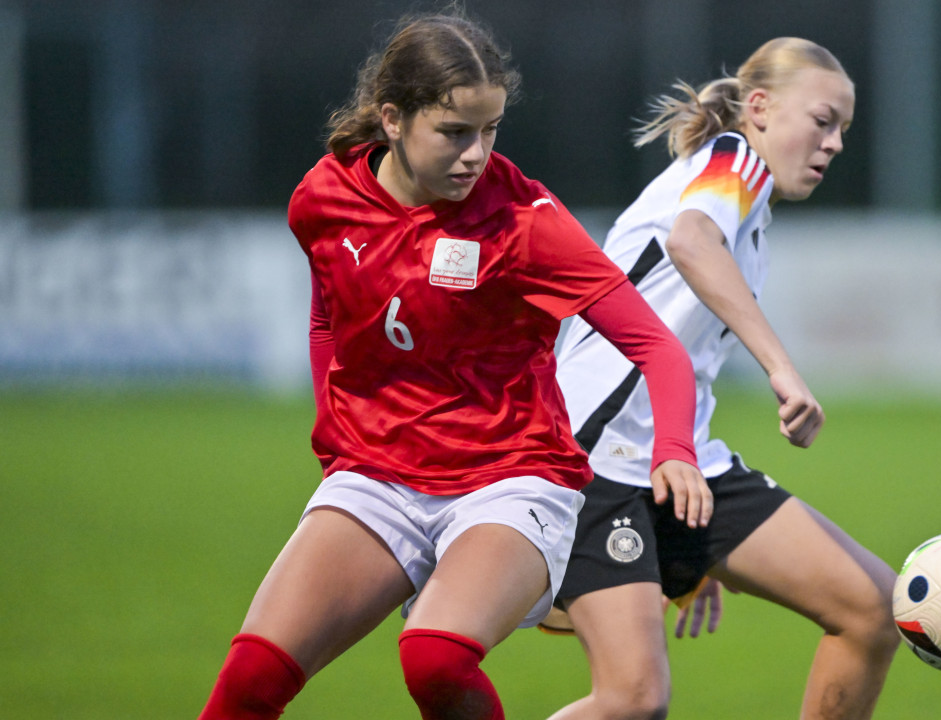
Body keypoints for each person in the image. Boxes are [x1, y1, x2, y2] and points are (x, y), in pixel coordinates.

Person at [196, 12, 711, 720]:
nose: (476, 154)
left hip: (510, 478)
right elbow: (328, 316)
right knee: (250, 679)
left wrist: (675, 451)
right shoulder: (324, 200)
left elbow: (658, 346)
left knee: (434, 657)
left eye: (491, 129)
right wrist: (332, 426)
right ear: (392, 119)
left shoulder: (525, 221)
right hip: (378, 476)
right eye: (455, 132)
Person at [548, 37, 900, 720]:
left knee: (871, 607)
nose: (834, 144)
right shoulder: (732, 160)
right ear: (760, 108)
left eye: (844, 131)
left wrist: (692, 541)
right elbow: (689, 241)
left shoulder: (750, 207)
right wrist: (782, 368)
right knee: (632, 699)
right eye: (823, 120)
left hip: (677, 466)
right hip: (595, 458)